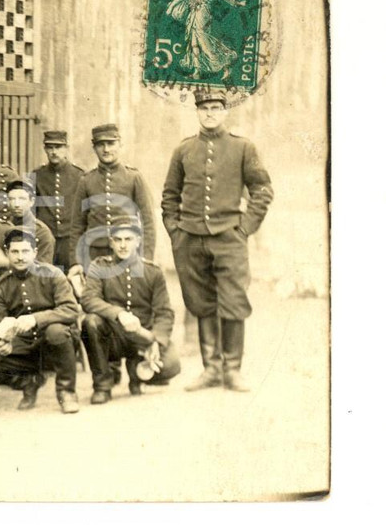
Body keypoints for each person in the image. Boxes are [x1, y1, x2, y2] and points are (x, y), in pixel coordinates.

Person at [162, 90, 273, 392]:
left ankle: (232, 370)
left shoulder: (242, 147)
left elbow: (262, 190)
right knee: (201, 302)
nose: (209, 113)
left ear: (225, 112)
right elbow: (170, 195)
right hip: (191, 239)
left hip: (229, 237)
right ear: (197, 112)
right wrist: (176, 231)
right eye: (204, 108)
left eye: (215, 108)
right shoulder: (184, 150)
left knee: (234, 301)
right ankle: (211, 369)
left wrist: (244, 228)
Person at [0, 230, 82, 414]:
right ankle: (28, 381)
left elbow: (70, 309)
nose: (20, 257)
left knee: (56, 331)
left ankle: (67, 393)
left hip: (53, 346)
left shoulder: (52, 275)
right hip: (23, 348)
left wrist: (36, 319)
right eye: (15, 252)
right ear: (7, 254)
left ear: (34, 253)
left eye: (25, 251)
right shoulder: (2, 285)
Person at [80, 216, 181, 403]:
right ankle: (102, 385)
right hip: (113, 336)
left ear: (138, 241)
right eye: (117, 240)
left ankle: (137, 372)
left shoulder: (153, 272)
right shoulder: (99, 267)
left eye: (128, 239)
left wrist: (156, 340)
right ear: (111, 242)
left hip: (143, 336)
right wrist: (119, 313)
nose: (123, 245)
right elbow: (88, 299)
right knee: (91, 322)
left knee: (171, 365)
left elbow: (164, 312)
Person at [68, 123, 157, 278]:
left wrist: (146, 256)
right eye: (101, 145)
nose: (106, 149)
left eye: (111, 143)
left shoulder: (133, 178)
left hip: (127, 252)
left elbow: (148, 221)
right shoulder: (86, 181)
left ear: (120, 144)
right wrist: (76, 262)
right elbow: (77, 225)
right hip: (94, 254)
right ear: (94, 148)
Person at [165, 0, 247, 81]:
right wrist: (172, 5)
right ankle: (197, 71)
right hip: (194, 11)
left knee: (204, 41)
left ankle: (225, 67)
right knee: (194, 42)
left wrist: (238, 3)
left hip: (203, 12)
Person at [31, 130, 85, 269]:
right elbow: (31, 211)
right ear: (45, 149)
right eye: (50, 147)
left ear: (66, 148)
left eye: (58, 147)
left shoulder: (79, 176)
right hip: (45, 239)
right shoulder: (36, 175)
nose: (54, 152)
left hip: (70, 240)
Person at [6, 179, 56, 264]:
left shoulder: (41, 232)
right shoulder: (5, 226)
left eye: (22, 199)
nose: (16, 204)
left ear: (31, 201)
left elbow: (43, 269)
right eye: (12, 199)